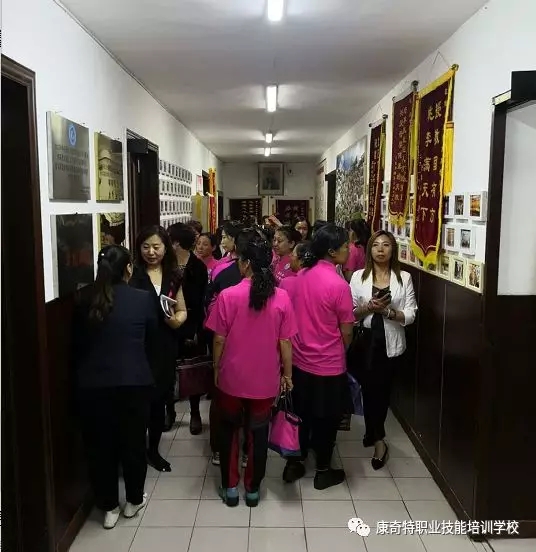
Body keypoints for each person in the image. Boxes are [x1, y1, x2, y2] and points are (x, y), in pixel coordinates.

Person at [206, 231, 297, 508]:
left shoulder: (228, 296)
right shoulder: (281, 297)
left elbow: (219, 339)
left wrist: (216, 368)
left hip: (232, 378)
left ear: (245, 264)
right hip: (265, 379)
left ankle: (230, 488)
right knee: (258, 434)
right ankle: (253, 489)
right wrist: (287, 375)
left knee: (229, 431)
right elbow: (285, 343)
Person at [73, 245, 157, 529]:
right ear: (128, 269)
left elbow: (78, 345)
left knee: (101, 447)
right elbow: (152, 341)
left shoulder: (85, 299)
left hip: (94, 384)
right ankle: (133, 501)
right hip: (134, 381)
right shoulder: (142, 299)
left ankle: (108, 507)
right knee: (133, 444)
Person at [282, 224, 354, 490]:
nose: (349, 251)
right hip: (328, 365)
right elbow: (347, 331)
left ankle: (294, 463)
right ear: (332, 252)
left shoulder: (300, 276)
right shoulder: (339, 285)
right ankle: (323, 470)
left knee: (300, 415)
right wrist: (338, 350)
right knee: (327, 419)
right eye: (345, 246)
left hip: (299, 360)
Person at [349, 230, 417, 470]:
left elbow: (410, 314)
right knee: (369, 392)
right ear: (369, 249)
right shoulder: (358, 277)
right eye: (376, 245)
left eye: (386, 245)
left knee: (382, 393)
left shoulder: (404, 278)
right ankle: (376, 437)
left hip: (390, 344)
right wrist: (369, 307)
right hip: (365, 343)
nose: (380, 249)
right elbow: (350, 313)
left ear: (393, 250)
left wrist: (387, 312)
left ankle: (375, 435)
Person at [130, 226, 188, 472]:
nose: (151, 252)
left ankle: (153, 451)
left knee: (158, 404)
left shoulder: (173, 275)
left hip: (164, 347)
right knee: (138, 406)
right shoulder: (132, 275)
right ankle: (134, 452)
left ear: (166, 248)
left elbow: (182, 309)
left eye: (156, 247)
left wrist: (176, 321)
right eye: (146, 247)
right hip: (137, 348)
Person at [168, 222, 209, 434]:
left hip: (192, 324)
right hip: (168, 323)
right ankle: (169, 411)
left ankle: (195, 413)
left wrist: (195, 330)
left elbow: (201, 301)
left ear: (176, 243)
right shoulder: (166, 265)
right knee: (168, 369)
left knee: (192, 370)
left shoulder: (198, 267)